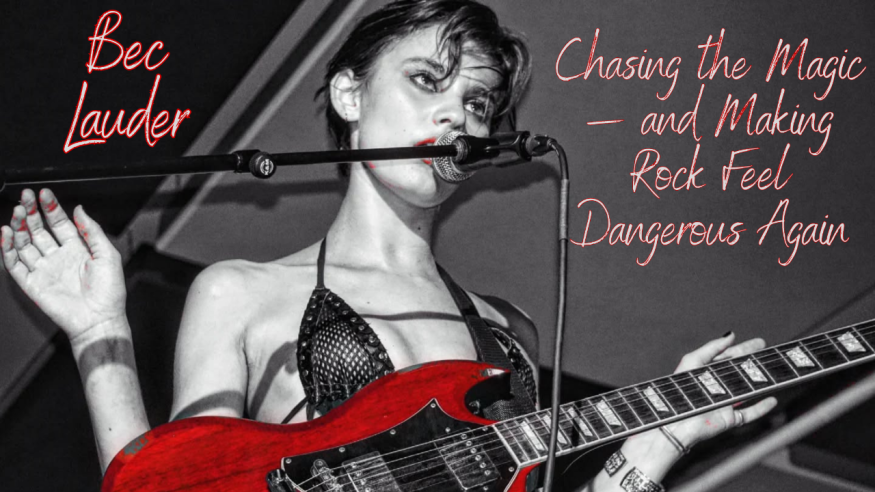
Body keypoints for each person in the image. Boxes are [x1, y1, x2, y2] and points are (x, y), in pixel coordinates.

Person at [1, 1, 776, 490]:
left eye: (476, 102)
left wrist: (663, 438)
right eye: (426, 81)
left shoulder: (507, 331)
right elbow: (166, 486)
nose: (457, 118)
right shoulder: (240, 291)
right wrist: (99, 332)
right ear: (350, 94)